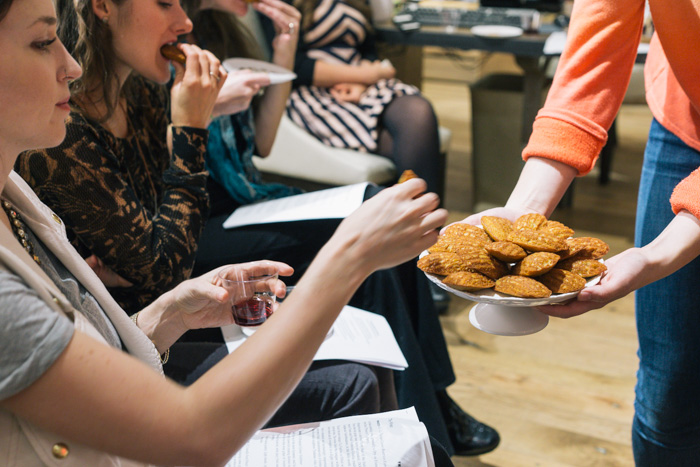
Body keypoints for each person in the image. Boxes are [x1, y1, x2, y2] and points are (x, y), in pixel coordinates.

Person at [15, 0, 499, 456]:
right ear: (102, 6)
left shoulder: (141, 91)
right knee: (361, 248)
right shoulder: (64, 127)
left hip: (163, 288)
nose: (184, 22)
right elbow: (159, 266)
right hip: (157, 295)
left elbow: (151, 240)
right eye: (165, 3)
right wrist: (189, 129)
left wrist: (133, 251)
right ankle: (433, 419)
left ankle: (431, 414)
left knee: (373, 226)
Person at [182, 0, 500, 456]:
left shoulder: (222, 31)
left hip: (243, 196)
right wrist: (202, 110)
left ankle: (429, 406)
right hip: (201, 220)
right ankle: (430, 421)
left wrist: (285, 50)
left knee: (380, 208)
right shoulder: (165, 43)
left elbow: (264, 142)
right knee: (371, 214)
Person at [457, 0, 700, 464]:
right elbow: (594, 54)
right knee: (669, 388)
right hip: (683, 114)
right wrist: (523, 210)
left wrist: (661, 253)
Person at [275, 0, 446, 198]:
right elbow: (295, 66)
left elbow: (368, 49)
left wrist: (361, 83)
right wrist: (364, 76)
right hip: (315, 92)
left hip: (363, 81)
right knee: (407, 143)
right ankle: (423, 222)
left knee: (418, 111)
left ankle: (426, 223)